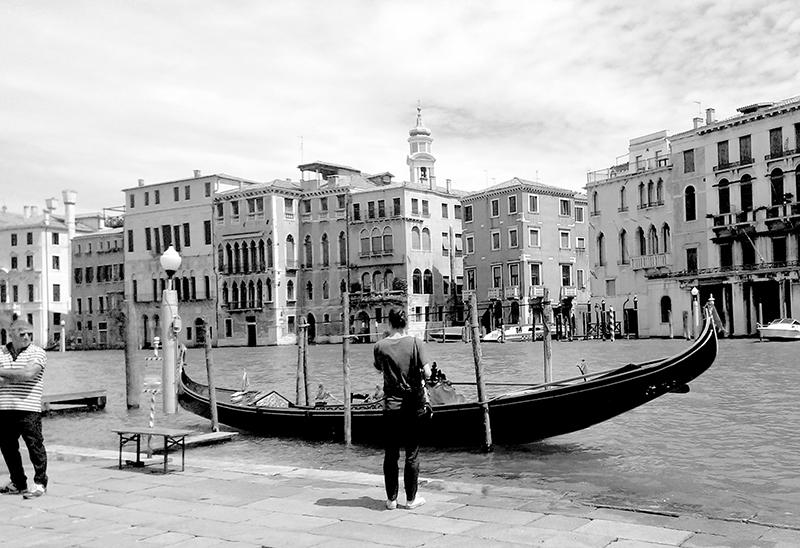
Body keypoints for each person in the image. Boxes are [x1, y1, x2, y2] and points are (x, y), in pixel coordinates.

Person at [373, 308, 431, 510]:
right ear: (407, 323)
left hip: (391, 406)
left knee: (391, 454)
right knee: (412, 454)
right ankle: (411, 499)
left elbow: (379, 368)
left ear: (389, 323)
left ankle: (391, 500)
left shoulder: (380, 345)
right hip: (412, 406)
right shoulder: (416, 343)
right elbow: (427, 372)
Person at [0, 320, 48, 499]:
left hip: (28, 408)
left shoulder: (38, 352)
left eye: (29, 334)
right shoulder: (1, 352)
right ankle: (18, 482)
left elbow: (29, 373)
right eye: (22, 334)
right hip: (4, 408)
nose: (27, 337)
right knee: (7, 448)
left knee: (35, 446)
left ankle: (40, 483)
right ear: (11, 334)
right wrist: (18, 376)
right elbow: (23, 375)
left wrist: (3, 373)